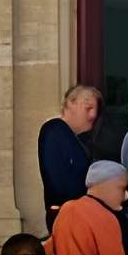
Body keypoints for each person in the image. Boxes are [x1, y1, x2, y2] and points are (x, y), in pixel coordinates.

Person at [50, 160, 128, 255]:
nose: (125, 197)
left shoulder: (66, 210)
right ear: (108, 185)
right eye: (121, 188)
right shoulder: (105, 217)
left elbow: (48, 253)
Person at [37, 85, 101, 217]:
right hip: (68, 214)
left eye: (96, 110)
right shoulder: (55, 130)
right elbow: (60, 181)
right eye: (88, 108)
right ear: (70, 103)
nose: (93, 114)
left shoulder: (75, 138)